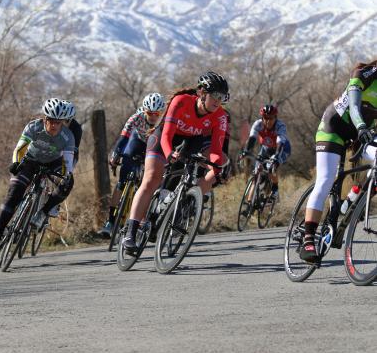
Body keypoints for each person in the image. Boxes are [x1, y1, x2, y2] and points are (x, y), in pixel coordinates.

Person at [122, 71, 230, 254]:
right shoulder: (181, 101)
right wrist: (169, 153)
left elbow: (216, 152)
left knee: (215, 168)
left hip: (190, 142)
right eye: (215, 96)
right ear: (202, 93)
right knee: (151, 178)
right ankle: (130, 232)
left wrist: (217, 166)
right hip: (165, 138)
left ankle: (183, 205)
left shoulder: (220, 116)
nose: (218, 101)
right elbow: (166, 135)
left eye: (222, 97)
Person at [300, 59, 377, 263]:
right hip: (335, 126)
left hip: (363, 133)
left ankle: (352, 202)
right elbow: (354, 107)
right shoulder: (365, 75)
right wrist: (361, 127)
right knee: (326, 179)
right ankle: (308, 239)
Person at [0, 98, 75, 254]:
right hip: (30, 161)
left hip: (52, 163)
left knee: (68, 182)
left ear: (63, 122)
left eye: (58, 122)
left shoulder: (68, 136)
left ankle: (43, 213)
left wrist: (65, 175)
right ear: (44, 118)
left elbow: (67, 162)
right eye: (51, 120)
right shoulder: (33, 127)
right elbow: (20, 149)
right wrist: (15, 162)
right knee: (14, 194)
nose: (53, 125)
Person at [99, 93, 166, 237]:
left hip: (153, 147)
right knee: (122, 182)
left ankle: (143, 220)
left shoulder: (165, 122)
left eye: (157, 114)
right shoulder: (136, 118)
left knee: (150, 184)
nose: (153, 117)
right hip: (138, 142)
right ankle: (110, 221)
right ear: (144, 110)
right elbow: (124, 138)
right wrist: (116, 154)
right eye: (150, 113)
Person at [240, 104, 291, 213]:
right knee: (256, 174)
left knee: (271, 167)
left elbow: (280, 143)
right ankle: (249, 204)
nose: (268, 121)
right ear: (262, 118)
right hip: (266, 148)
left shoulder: (280, 126)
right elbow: (252, 139)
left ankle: (275, 190)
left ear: (275, 118)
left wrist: (276, 158)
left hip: (281, 149)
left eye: (271, 118)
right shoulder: (258, 124)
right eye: (266, 118)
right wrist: (246, 151)